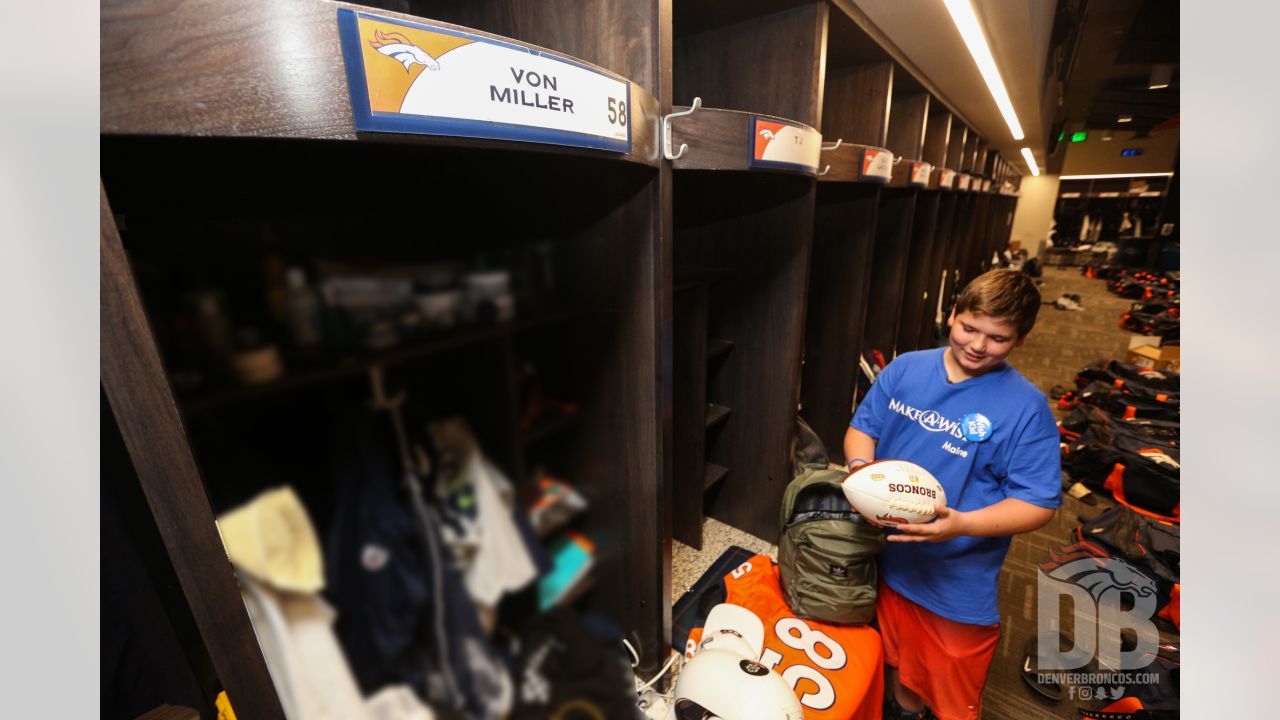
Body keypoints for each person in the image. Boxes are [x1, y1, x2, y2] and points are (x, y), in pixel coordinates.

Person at [842, 269, 1061, 720]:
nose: (978, 345)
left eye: (997, 338)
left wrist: (962, 525)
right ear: (954, 313)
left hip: (953, 585)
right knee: (888, 668)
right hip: (880, 560)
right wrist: (863, 476)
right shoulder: (906, 368)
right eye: (969, 328)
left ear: (1020, 339)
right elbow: (862, 430)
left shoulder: (1027, 408)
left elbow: (1038, 503)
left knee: (948, 697)